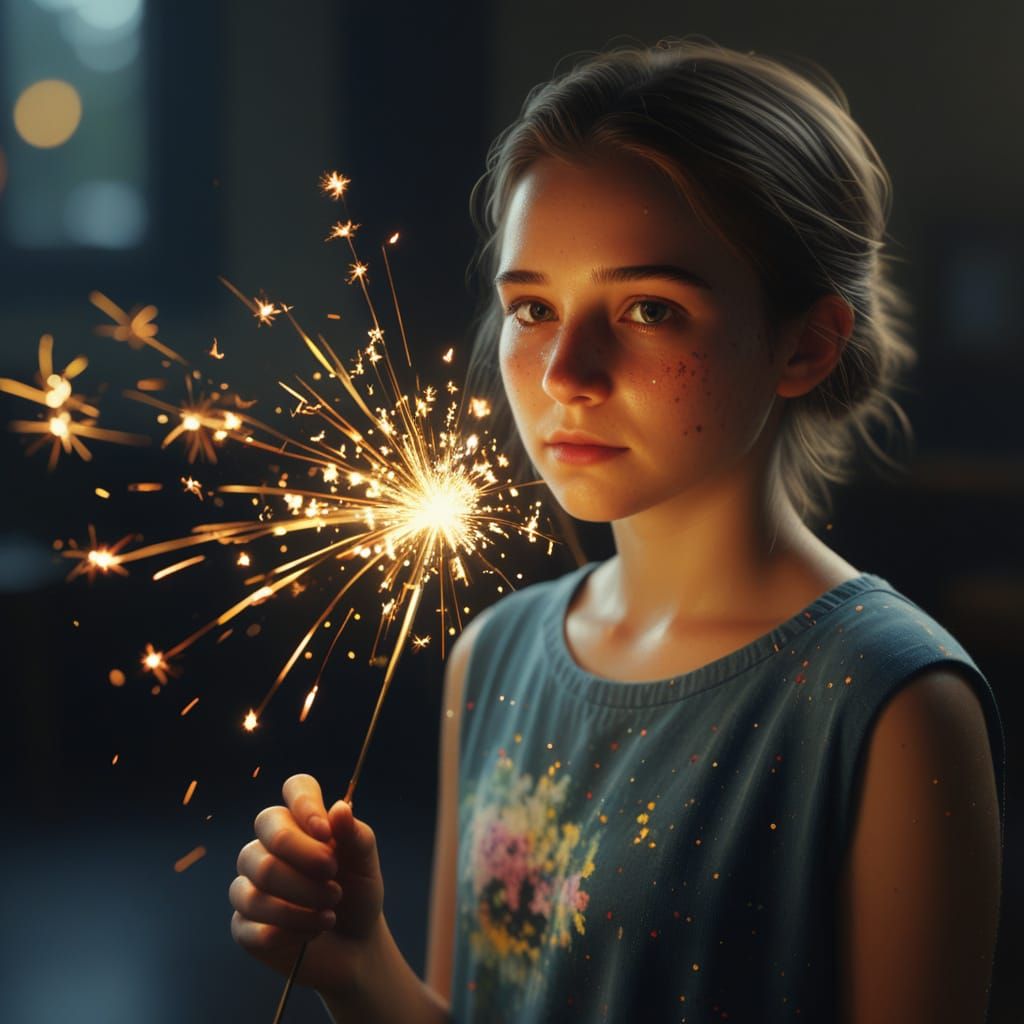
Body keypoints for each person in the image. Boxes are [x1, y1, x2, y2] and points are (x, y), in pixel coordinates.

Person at [229, 37, 1006, 1023]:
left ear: (805, 343)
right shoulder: (495, 655)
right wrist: (359, 966)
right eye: (533, 307)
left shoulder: (888, 705)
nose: (565, 373)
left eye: (647, 307)